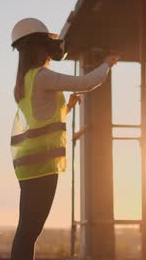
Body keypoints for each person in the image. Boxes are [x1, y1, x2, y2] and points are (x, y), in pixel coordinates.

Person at [9, 18, 119, 259]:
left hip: (30, 166)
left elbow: (40, 115)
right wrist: (106, 64)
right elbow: (86, 82)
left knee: (27, 230)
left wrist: (66, 108)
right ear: (39, 47)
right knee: (29, 231)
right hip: (43, 166)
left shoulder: (24, 81)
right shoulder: (42, 76)